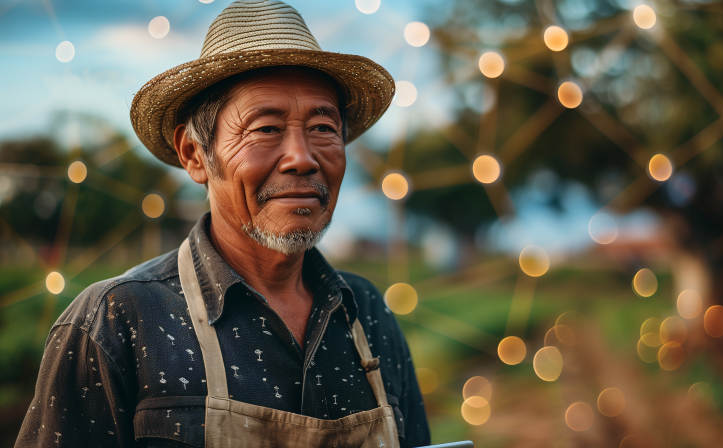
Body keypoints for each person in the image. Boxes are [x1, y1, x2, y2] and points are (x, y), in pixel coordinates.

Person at [14, 1, 430, 447]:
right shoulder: (116, 321)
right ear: (195, 155)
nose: (303, 158)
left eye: (323, 127)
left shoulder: (364, 312)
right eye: (266, 128)